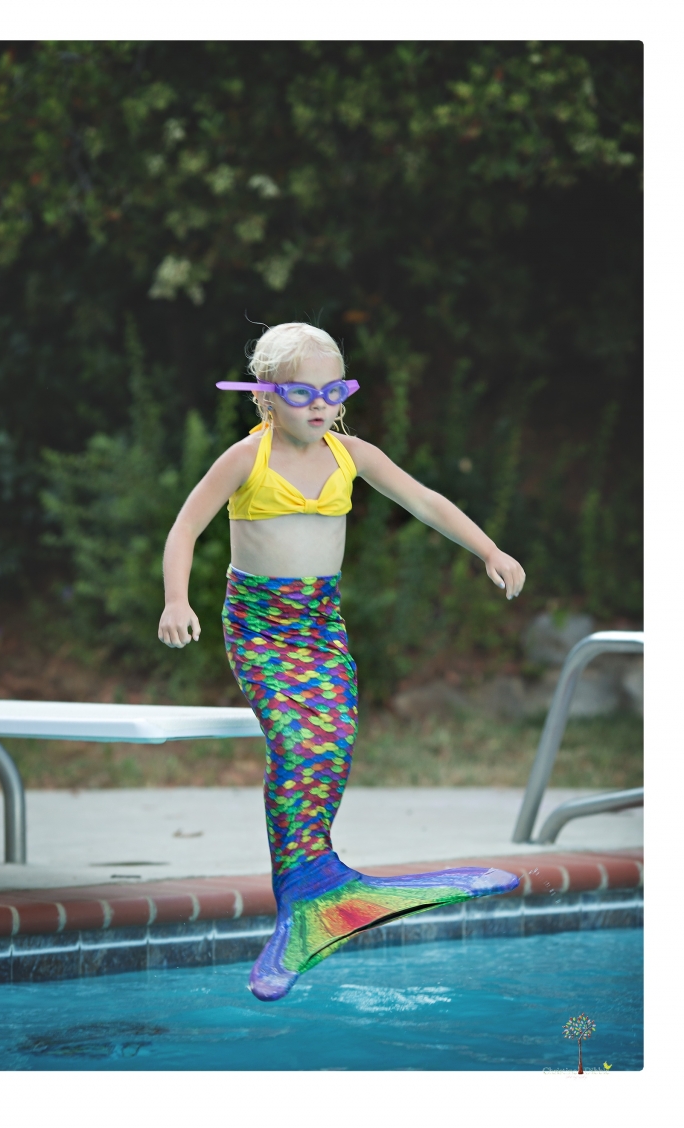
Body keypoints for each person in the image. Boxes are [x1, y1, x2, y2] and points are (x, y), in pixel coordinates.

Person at [158, 322, 524, 1001]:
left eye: (334, 390)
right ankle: (301, 890)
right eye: (303, 392)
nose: (320, 404)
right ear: (267, 396)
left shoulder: (352, 454)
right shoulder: (245, 459)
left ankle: (321, 876)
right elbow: (185, 527)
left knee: (332, 742)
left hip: (320, 625)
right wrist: (177, 600)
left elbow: (425, 501)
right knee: (295, 742)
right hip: (262, 628)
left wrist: (489, 550)